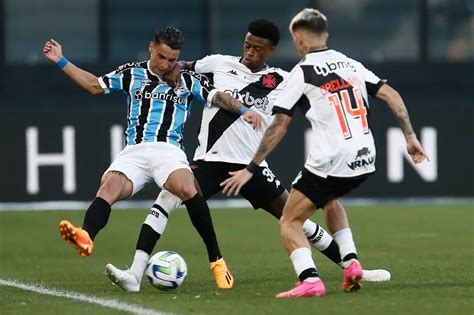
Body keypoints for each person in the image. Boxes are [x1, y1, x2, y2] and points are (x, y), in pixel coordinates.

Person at [105, 19, 390, 293]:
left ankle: (354, 268)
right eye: (247, 45)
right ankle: (134, 272)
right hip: (209, 161)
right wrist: (176, 70)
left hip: (251, 168)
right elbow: (180, 66)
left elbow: (320, 93)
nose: (250, 53)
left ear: (271, 51)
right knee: (166, 199)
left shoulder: (282, 79)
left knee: (297, 218)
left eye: (258, 49)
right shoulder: (217, 64)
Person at [221, 9, 428, 298]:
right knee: (329, 199)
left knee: (290, 221)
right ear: (325, 35)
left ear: (297, 38)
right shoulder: (352, 64)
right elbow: (391, 95)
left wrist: (251, 167)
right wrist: (410, 136)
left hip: (332, 158)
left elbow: (279, 126)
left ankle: (309, 279)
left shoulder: (302, 72)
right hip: (365, 156)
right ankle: (352, 262)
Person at [42, 26, 264, 289]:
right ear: (151, 47)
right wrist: (61, 61)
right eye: (161, 57)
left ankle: (217, 260)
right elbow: (93, 85)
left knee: (186, 187)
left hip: (168, 150)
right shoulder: (133, 73)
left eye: (172, 59)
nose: (166, 64)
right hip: (134, 150)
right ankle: (86, 235)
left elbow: (218, 97)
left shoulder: (187, 80)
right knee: (109, 187)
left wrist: (243, 110)